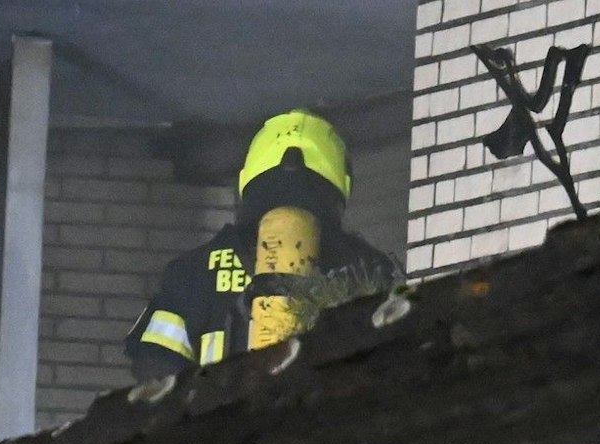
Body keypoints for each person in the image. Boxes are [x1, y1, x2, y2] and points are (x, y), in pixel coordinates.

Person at [124, 110, 398, 380]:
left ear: (247, 180)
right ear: (341, 187)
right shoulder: (367, 269)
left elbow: (153, 364)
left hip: (219, 418)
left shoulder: (193, 272)